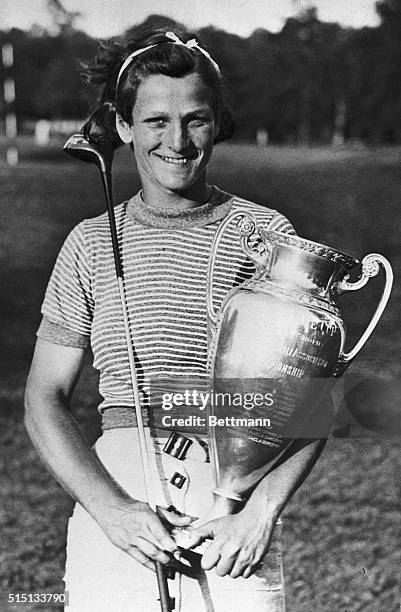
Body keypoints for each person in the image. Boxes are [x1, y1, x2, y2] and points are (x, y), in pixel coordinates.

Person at [24, 23, 333, 612]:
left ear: (217, 123)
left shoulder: (263, 236)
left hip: (234, 502)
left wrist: (261, 512)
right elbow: (43, 397)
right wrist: (111, 509)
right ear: (123, 127)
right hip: (117, 496)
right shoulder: (90, 242)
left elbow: (312, 396)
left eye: (195, 118)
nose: (178, 141)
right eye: (156, 121)